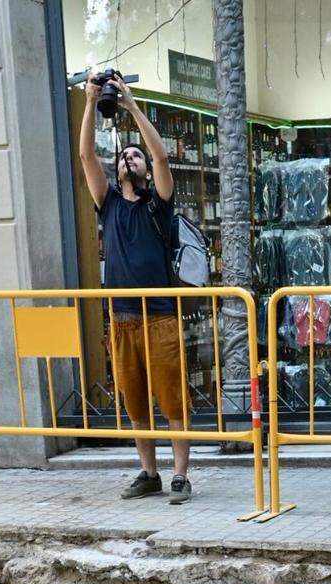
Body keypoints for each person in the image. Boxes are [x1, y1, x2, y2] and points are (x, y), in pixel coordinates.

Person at [78, 71, 192, 504]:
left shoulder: (158, 205)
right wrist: (90, 102)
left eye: (135, 156)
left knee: (172, 400)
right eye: (124, 156)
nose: (130, 158)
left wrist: (129, 104)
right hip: (123, 319)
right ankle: (149, 472)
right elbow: (87, 156)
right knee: (136, 403)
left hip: (160, 316)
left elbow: (162, 159)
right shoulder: (107, 203)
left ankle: (180, 474)